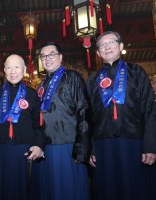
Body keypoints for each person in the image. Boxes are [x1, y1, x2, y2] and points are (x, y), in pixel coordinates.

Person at [86, 31, 156, 200]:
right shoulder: (92, 80)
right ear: (98, 53)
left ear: (120, 46)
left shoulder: (136, 72)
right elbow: (89, 118)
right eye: (102, 45)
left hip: (135, 142)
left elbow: (150, 109)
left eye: (111, 42)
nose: (107, 47)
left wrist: (151, 146)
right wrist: (91, 149)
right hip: (103, 145)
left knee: (137, 190)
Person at [0, 54, 45, 200]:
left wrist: (39, 145)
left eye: (17, 67)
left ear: (24, 70)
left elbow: (39, 125)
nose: (13, 71)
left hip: (24, 152)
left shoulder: (31, 94)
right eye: (9, 67)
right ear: (4, 70)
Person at [35, 42, 91, 200]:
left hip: (68, 144)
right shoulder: (42, 84)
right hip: (46, 145)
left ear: (60, 57)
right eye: (44, 56)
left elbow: (84, 111)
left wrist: (82, 149)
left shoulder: (73, 77)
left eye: (51, 54)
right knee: (50, 190)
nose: (47, 59)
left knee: (69, 190)